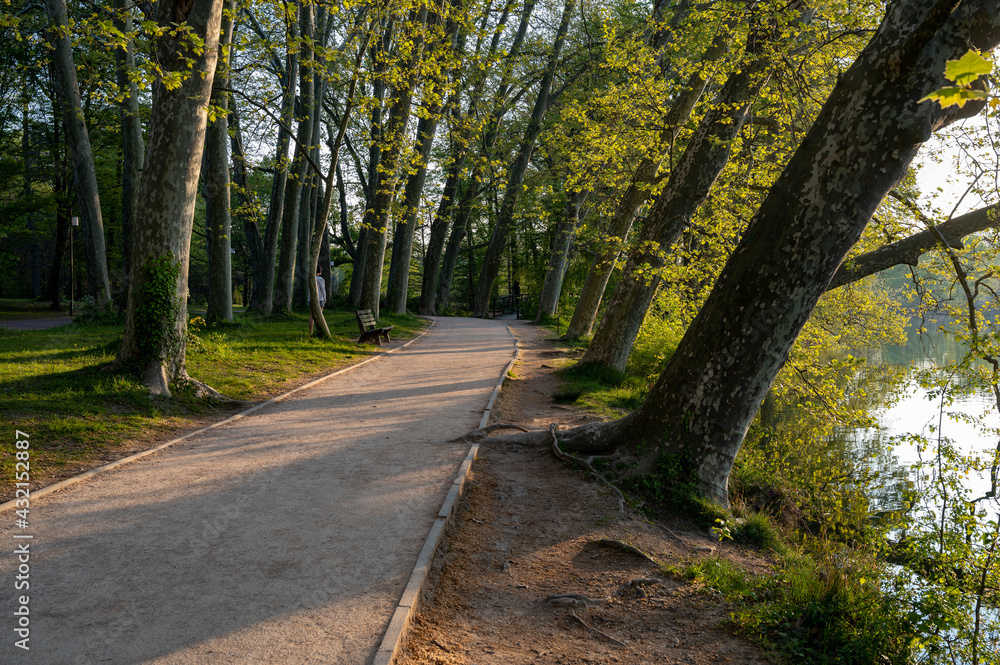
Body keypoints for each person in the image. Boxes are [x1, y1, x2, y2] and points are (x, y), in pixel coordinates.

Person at [309, 268, 326, 335]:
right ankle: (318, 331)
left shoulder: (310, 278)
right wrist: (325, 299)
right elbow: (323, 290)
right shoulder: (320, 279)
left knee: (311, 316)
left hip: (311, 299)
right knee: (319, 316)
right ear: (319, 272)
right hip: (320, 299)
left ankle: (310, 332)